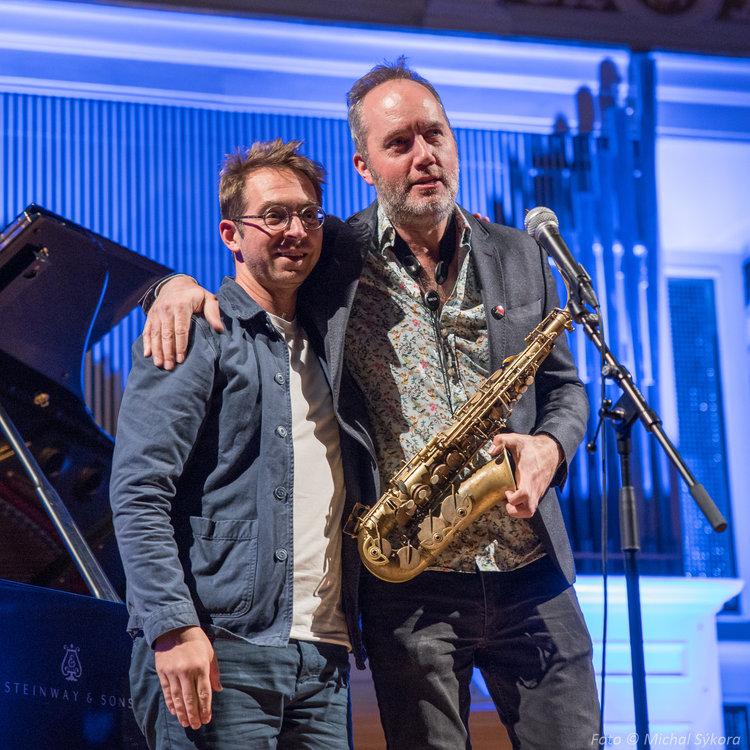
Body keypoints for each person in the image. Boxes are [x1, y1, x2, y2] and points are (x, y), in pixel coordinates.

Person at [142, 60, 599, 749]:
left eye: (435, 135)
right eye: (399, 143)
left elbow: (565, 389)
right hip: (408, 579)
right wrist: (170, 286)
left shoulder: (520, 254)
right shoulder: (331, 254)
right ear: (364, 166)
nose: (425, 155)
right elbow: (252, 262)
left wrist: (551, 445)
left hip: (530, 570)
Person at [110, 139, 377, 749]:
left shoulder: (329, 347)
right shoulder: (195, 329)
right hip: (219, 650)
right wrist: (172, 628)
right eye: (274, 215)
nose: (295, 231)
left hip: (324, 660)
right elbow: (139, 491)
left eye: (308, 215)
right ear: (231, 234)